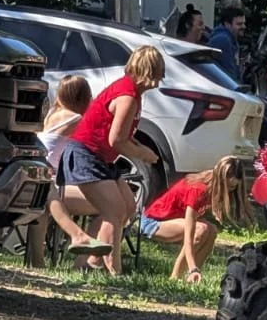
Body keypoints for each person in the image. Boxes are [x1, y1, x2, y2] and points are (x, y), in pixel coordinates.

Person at [58, 44, 165, 275]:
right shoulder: (127, 97)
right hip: (85, 154)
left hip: (101, 158)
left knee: (127, 206)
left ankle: (87, 264)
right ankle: (114, 270)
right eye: (154, 76)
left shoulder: (132, 94)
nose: (156, 83)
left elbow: (125, 136)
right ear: (145, 72)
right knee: (114, 210)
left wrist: (140, 146)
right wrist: (143, 155)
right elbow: (116, 140)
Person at [27, 76, 112, 264]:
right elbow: (97, 137)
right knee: (109, 207)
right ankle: (82, 261)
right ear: (83, 97)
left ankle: (38, 262)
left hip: (35, 178)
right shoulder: (76, 119)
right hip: (45, 181)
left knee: (42, 203)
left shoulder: (52, 113)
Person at [140, 156, 253, 282]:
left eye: (233, 188)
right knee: (201, 230)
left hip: (174, 221)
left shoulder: (212, 185)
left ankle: (192, 278)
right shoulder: (198, 190)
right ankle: (175, 278)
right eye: (227, 186)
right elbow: (190, 234)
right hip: (151, 223)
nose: (229, 190)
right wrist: (192, 267)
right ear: (219, 179)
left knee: (212, 231)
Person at [207, 6, 246, 82]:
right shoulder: (223, 40)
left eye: (244, 23)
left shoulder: (231, 38)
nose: (244, 27)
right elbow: (229, 72)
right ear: (227, 24)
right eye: (239, 24)